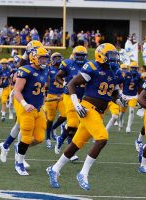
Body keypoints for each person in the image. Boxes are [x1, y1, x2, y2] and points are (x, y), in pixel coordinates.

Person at [46, 43, 126, 190]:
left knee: (77, 143)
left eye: (115, 56)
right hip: (88, 109)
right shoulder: (92, 67)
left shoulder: (116, 72)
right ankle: (83, 173)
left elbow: (113, 93)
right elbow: (71, 84)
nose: (114, 60)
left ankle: (55, 168)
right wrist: (76, 104)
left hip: (100, 112)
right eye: (111, 56)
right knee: (102, 138)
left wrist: (120, 99)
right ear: (101, 56)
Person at [13, 46, 49, 175]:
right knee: (27, 136)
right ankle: (19, 163)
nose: (44, 61)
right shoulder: (25, 70)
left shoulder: (45, 71)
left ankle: (19, 147)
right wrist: (24, 104)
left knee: (39, 138)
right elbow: (16, 90)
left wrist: (43, 104)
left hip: (38, 108)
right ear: (34, 58)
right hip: (27, 107)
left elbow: (42, 90)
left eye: (46, 59)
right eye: (42, 58)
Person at [54, 46, 88, 161]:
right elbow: (58, 76)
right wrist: (64, 83)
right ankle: (70, 151)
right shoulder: (68, 64)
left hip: (82, 97)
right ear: (74, 55)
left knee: (77, 126)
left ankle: (62, 139)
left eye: (82, 55)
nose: (80, 57)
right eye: (78, 55)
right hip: (69, 95)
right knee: (73, 123)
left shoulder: (89, 65)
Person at [45, 52, 66, 148]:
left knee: (65, 115)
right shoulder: (49, 69)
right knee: (50, 118)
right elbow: (46, 82)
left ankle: (54, 128)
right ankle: (48, 138)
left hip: (62, 95)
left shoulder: (65, 69)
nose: (58, 59)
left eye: (59, 57)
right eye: (55, 58)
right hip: (51, 96)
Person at [119, 61, 142, 133]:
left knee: (131, 111)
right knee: (121, 113)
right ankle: (120, 122)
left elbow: (141, 85)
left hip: (133, 96)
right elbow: (120, 82)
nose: (134, 69)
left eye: (135, 68)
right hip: (125, 95)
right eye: (132, 68)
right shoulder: (126, 74)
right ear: (130, 68)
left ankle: (128, 127)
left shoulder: (139, 76)